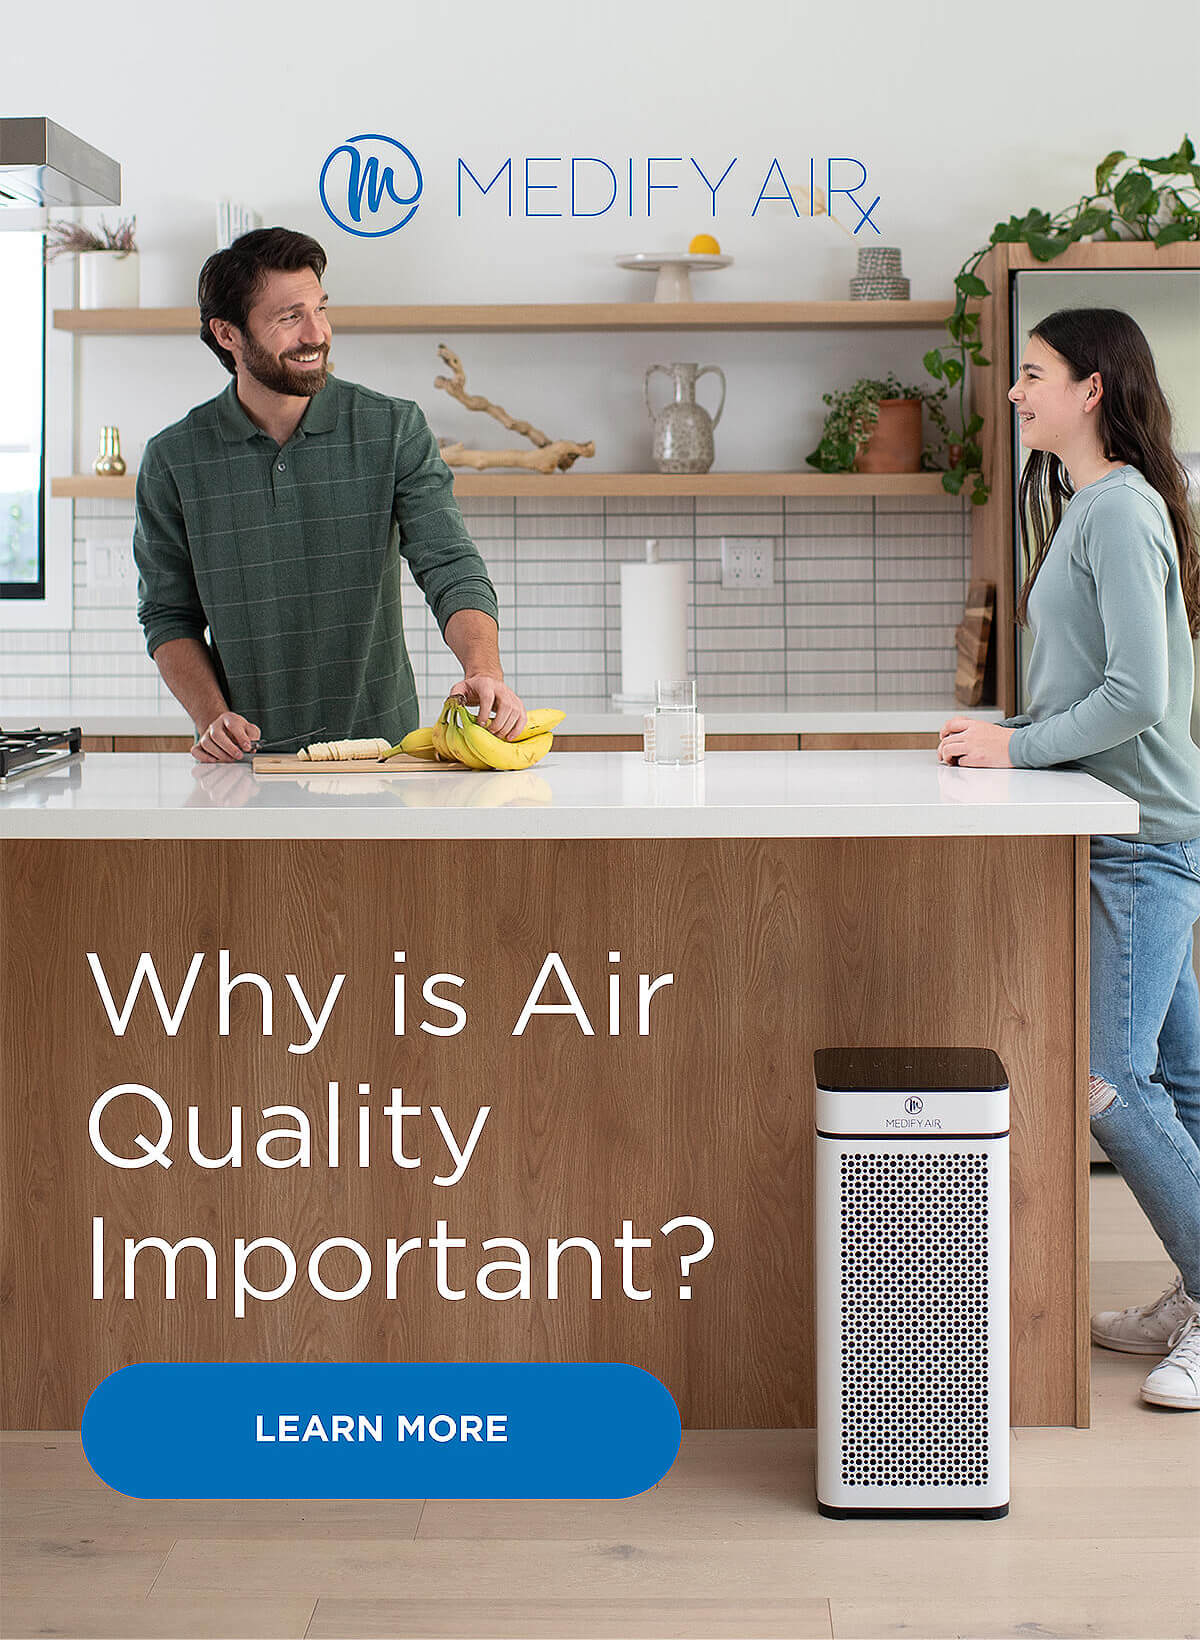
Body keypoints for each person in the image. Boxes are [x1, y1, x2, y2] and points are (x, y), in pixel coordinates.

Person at [939, 306, 1200, 1412]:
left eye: (1033, 373)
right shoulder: (1094, 507)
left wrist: (1017, 746)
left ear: (1093, 389)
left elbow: (1139, 693)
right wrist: (1018, 739)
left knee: (1105, 1078)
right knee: (1178, 1078)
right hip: (1132, 828)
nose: (1014, 391)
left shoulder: (1118, 511)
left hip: (1136, 840)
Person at [133, 226, 526, 761]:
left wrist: (484, 669)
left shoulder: (393, 428)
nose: (317, 334)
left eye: (321, 308)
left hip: (384, 755)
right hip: (246, 765)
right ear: (227, 334)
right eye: (289, 317)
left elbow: (449, 564)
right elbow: (168, 613)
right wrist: (210, 715)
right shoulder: (173, 459)